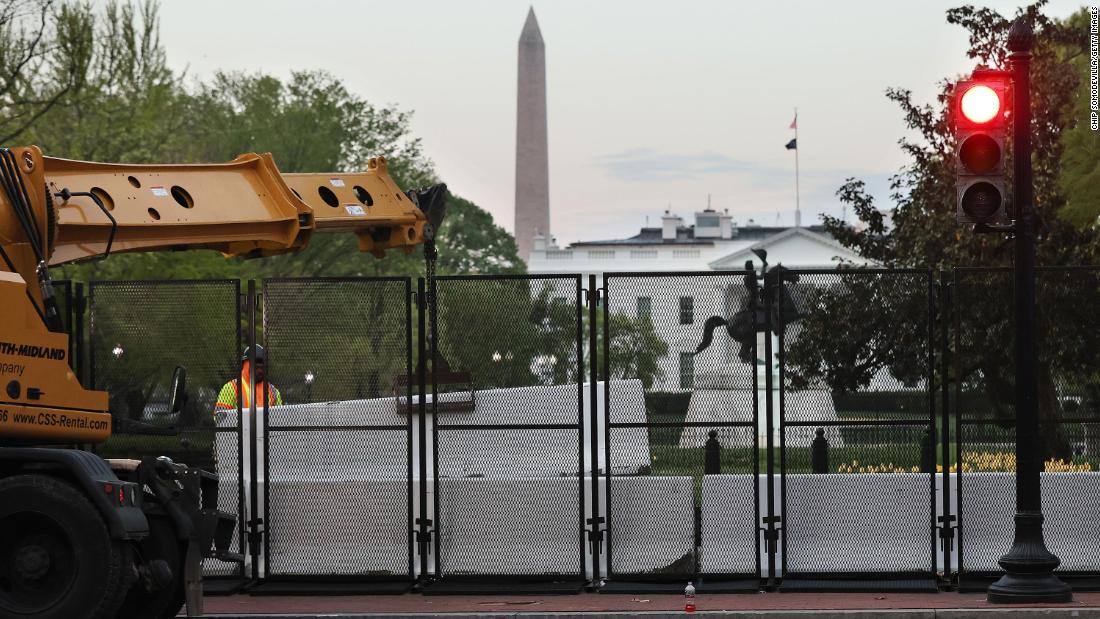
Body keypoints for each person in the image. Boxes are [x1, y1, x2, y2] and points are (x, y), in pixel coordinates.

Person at [214, 345, 283, 420]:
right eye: (256, 367)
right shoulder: (231, 387)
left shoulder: (273, 391)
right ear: (246, 365)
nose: (260, 371)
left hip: (266, 431)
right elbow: (219, 418)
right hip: (241, 431)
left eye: (262, 367)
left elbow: (281, 419)